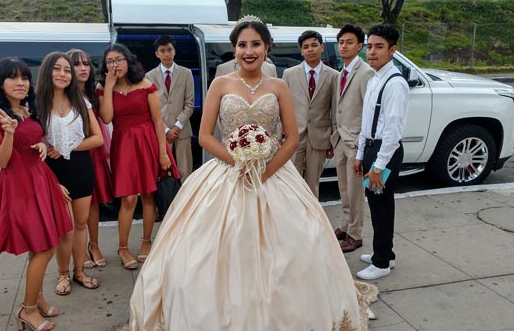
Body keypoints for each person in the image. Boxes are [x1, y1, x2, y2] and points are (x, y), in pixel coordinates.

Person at [127, 17, 373, 330]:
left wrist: (267, 170)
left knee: (297, 245)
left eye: (255, 44)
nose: (248, 50)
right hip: (227, 171)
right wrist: (237, 162)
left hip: (273, 174)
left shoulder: (279, 85)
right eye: (242, 44)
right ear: (234, 49)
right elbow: (205, 137)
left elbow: (292, 138)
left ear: (266, 48)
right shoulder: (221, 84)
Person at [0, 57, 74, 331]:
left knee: (42, 246)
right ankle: (28, 310)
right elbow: (3, 162)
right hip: (19, 186)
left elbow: (32, 141)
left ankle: (38, 297)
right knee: (43, 248)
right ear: (1, 82)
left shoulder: (27, 109)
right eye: (12, 77)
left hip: (41, 179)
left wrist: (41, 144)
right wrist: (8, 133)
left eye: (24, 78)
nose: (20, 83)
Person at [97, 43, 179, 270]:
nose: (115, 65)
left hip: (149, 144)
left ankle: (145, 242)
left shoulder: (146, 85)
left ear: (128, 61)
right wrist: (110, 87)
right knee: (128, 198)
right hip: (124, 145)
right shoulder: (103, 87)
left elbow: (157, 121)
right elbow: (106, 118)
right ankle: (122, 247)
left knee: (149, 195)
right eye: (110, 61)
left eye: (119, 59)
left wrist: (163, 153)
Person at [35, 52, 103, 295]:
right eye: (57, 69)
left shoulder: (81, 103)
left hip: (81, 168)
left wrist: (66, 147)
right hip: (53, 173)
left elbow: (97, 138)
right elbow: (31, 146)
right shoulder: (36, 104)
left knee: (81, 224)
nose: (63, 74)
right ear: (47, 72)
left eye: (66, 70)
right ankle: (63, 274)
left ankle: (79, 271)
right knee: (66, 228)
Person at [354, 25, 409, 280]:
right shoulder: (376, 77)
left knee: (381, 206)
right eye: (369, 46)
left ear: (392, 50)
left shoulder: (395, 83)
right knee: (377, 204)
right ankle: (385, 252)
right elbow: (368, 122)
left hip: (384, 153)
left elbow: (393, 131)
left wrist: (377, 167)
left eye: (379, 47)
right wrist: (360, 155)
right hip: (372, 150)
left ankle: (382, 261)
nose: (372, 52)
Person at [332, 24, 375, 253]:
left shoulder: (365, 72)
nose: (344, 46)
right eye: (341, 42)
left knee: (356, 192)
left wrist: (361, 142)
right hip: (341, 140)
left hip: (355, 143)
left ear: (360, 46)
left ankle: (355, 234)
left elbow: (369, 112)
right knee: (344, 189)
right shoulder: (343, 71)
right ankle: (345, 225)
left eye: (349, 42)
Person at [67, 49, 112, 268]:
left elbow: (106, 117)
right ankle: (79, 249)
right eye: (77, 64)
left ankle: (93, 245)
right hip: (75, 153)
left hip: (95, 151)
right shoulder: (65, 95)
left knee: (93, 204)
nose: (83, 68)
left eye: (86, 63)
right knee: (78, 208)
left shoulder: (95, 92)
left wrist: (109, 86)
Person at [282, 30, 337, 198]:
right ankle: (293, 217)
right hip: (293, 137)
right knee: (291, 180)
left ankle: (311, 220)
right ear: (301, 51)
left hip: (320, 137)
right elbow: (281, 107)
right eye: (305, 47)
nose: (310, 49)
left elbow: (334, 110)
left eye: (314, 45)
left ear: (321, 47)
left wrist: (333, 140)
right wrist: (279, 137)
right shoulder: (289, 74)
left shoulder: (334, 76)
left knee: (313, 183)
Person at [145, 35, 194, 183]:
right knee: (162, 172)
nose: (166, 54)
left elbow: (189, 104)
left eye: (169, 50)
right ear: (157, 54)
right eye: (162, 50)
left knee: (185, 171)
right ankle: (165, 204)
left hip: (182, 130)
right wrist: (166, 130)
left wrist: (177, 126)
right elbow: (150, 108)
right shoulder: (149, 76)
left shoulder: (186, 73)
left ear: (174, 51)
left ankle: (187, 203)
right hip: (161, 131)